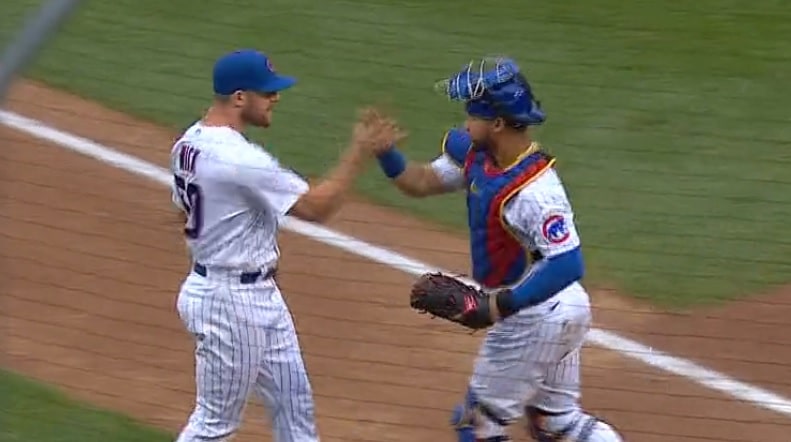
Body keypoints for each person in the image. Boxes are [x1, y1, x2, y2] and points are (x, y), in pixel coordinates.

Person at [373, 57, 623, 442]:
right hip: (559, 309)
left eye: (471, 114)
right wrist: (387, 154)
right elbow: (421, 181)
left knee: (476, 425)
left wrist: (498, 306)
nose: (463, 122)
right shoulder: (481, 159)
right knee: (557, 423)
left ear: (498, 123)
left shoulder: (537, 192)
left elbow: (569, 263)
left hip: (536, 312)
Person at [169, 48, 404, 442]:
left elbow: (183, 214)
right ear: (240, 97)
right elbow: (316, 207)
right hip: (230, 303)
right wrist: (360, 151)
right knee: (214, 424)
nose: (276, 97)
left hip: (249, 293)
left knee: (294, 406)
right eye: (267, 92)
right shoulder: (239, 157)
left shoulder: (188, 143)